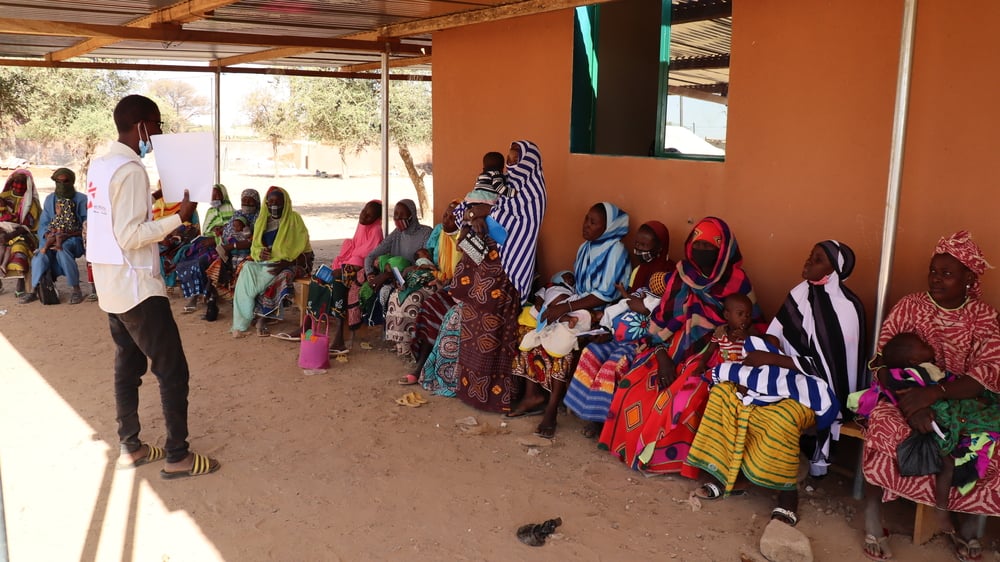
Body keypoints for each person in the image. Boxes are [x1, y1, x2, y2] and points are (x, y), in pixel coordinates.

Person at [683, 240, 864, 527]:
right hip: (776, 370)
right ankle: (725, 472)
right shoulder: (799, 293)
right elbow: (776, 335)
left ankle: (786, 495)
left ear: (833, 271)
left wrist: (772, 362)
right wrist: (760, 351)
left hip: (814, 387)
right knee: (723, 395)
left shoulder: (846, 310)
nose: (808, 261)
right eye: (810, 255)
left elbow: (831, 368)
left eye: (817, 259)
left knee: (781, 417)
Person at [87, 94, 218, 479]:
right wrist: (178, 218)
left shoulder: (103, 165)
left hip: (112, 286)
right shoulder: (130, 171)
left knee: (127, 367)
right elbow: (129, 235)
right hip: (137, 287)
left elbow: (113, 216)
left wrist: (156, 199)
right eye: (157, 125)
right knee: (172, 371)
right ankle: (178, 456)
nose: (159, 134)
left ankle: (132, 445)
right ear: (142, 125)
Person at [861, 231, 1000, 562]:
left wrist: (934, 393)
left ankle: (967, 525)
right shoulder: (910, 306)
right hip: (903, 395)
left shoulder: (985, 318)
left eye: (947, 274)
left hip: (958, 398)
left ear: (969, 278)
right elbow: (881, 362)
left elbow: (986, 376)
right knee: (883, 426)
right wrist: (911, 407)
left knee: (988, 438)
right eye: (933, 271)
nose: (936, 279)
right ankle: (872, 519)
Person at [599, 217, 762, 474]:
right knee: (634, 387)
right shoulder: (681, 274)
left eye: (710, 247)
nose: (703, 252)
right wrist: (662, 356)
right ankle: (628, 446)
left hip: (713, 355)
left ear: (724, 251)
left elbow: (754, 322)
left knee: (678, 398)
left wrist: (729, 337)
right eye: (698, 245)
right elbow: (661, 320)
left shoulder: (739, 281)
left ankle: (665, 458)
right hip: (672, 347)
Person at [510, 202, 631, 438]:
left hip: (600, 311)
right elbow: (581, 283)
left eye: (593, 222)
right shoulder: (586, 247)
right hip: (578, 303)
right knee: (530, 323)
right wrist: (562, 292)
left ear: (609, 227)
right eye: (586, 219)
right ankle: (532, 395)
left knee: (564, 340)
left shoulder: (615, 249)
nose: (586, 225)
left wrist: (564, 307)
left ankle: (552, 411)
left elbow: (602, 294)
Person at [564, 220, 675, 437]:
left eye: (645, 246)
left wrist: (643, 308)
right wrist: (609, 327)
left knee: (614, 363)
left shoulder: (671, 275)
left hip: (647, 339)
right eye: (638, 244)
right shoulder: (639, 271)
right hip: (621, 331)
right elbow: (628, 302)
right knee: (591, 353)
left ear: (659, 248)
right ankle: (583, 409)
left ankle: (602, 420)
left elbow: (669, 312)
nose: (640, 250)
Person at [398, 200, 464, 386]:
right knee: (427, 307)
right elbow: (429, 256)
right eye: (445, 215)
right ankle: (420, 363)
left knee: (434, 308)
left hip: (463, 290)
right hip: (444, 281)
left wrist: (448, 282)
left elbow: (468, 272)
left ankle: (424, 366)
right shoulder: (440, 234)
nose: (447, 220)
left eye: (453, 217)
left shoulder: (467, 240)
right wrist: (428, 269)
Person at [231, 186, 312, 337]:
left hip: (293, 263)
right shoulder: (263, 220)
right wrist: (260, 253)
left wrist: (285, 262)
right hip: (266, 263)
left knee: (275, 273)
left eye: (278, 202)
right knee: (246, 268)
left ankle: (262, 318)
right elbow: (255, 248)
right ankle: (240, 323)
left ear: (285, 203)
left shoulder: (294, 219)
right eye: (271, 202)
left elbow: (303, 252)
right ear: (266, 204)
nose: (274, 205)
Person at [20, 168, 89, 304]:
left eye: (65, 181)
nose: (62, 184)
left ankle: (76, 290)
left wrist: (68, 234)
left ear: (72, 181)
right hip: (52, 236)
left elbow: (86, 225)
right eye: (58, 181)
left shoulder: (81, 199)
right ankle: (32, 291)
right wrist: (47, 234)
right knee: (40, 256)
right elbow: (44, 223)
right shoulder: (50, 199)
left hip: (73, 238)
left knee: (63, 251)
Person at [363, 199, 432, 325]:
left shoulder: (426, 233)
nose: (398, 218)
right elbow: (371, 256)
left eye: (402, 215)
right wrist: (370, 274)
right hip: (394, 277)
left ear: (412, 215)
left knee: (387, 293)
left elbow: (423, 264)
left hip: (412, 280)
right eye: (395, 215)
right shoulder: (397, 234)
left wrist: (389, 275)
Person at [205, 189, 260, 301]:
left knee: (242, 267)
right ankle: (214, 296)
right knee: (213, 264)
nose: (247, 204)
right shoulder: (238, 214)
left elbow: (254, 240)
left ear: (257, 202)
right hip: (230, 250)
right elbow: (227, 232)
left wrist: (233, 245)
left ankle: (243, 297)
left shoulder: (260, 217)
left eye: (251, 201)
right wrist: (223, 235)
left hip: (251, 253)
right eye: (244, 201)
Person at [1, 169, 41, 299]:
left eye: (22, 183)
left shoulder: (31, 202)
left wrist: (9, 236)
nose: (18, 186)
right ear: (12, 182)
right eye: (16, 182)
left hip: (26, 232)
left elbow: (28, 225)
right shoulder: (4, 197)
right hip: (2, 230)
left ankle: (20, 284)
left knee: (20, 247)